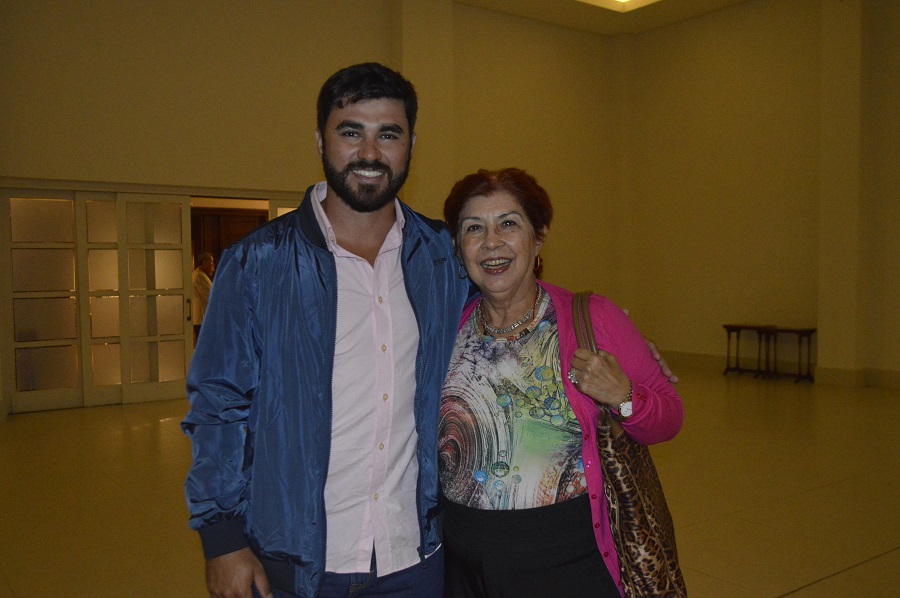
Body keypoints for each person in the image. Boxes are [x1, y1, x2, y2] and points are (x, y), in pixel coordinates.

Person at [182, 63, 470, 598]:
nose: (369, 153)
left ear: (411, 145)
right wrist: (222, 540)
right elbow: (218, 406)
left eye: (389, 134)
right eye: (350, 132)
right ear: (320, 140)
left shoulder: (441, 258)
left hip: (415, 555)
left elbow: (510, 313)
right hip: (294, 563)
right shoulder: (257, 262)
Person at [439, 167, 684, 597]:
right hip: (464, 566)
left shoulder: (593, 318)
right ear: (459, 247)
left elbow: (669, 417)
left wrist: (624, 397)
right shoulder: (445, 329)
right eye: (474, 228)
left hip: (566, 562)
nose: (491, 242)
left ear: (538, 237)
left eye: (508, 224)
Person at [191, 251, 215, 342]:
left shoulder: (199, 275)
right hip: (201, 318)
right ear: (204, 263)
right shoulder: (199, 276)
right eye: (211, 263)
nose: (213, 267)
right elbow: (211, 296)